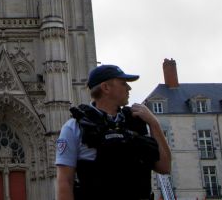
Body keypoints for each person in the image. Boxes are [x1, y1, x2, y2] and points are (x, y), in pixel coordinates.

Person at [56, 64, 171, 200]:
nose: (129, 88)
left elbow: (164, 167)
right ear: (106, 88)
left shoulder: (136, 122)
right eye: (123, 83)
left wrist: (154, 123)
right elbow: (65, 182)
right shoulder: (74, 127)